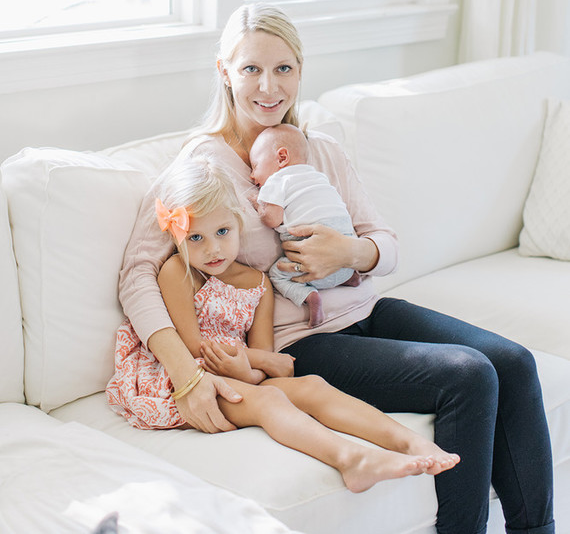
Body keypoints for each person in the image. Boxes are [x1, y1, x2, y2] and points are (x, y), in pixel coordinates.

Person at [119, 3, 555, 534]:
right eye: (251, 68)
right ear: (224, 72)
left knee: (514, 361)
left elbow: (386, 244)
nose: (268, 87)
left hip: (369, 308)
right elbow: (138, 272)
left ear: (300, 71)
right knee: (468, 375)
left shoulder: (319, 150)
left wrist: (349, 253)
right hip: (302, 339)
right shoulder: (201, 167)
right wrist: (186, 376)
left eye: (284, 69)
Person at [107, 158, 459, 492]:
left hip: (232, 374)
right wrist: (262, 363)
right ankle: (351, 459)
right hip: (180, 382)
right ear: (177, 237)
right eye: (195, 238)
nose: (213, 249)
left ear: (238, 224)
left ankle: (409, 441)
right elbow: (197, 348)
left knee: (313, 386)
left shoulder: (259, 283)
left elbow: (264, 370)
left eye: (222, 231)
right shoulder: (177, 273)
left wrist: (251, 368)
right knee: (269, 401)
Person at [250, 123, 361, 327]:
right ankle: (349, 278)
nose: (252, 175)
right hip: (345, 256)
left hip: (309, 257)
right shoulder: (318, 176)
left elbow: (272, 219)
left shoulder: (276, 181)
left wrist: (258, 202)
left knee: (277, 273)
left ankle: (310, 297)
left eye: (255, 166)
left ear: (281, 158)